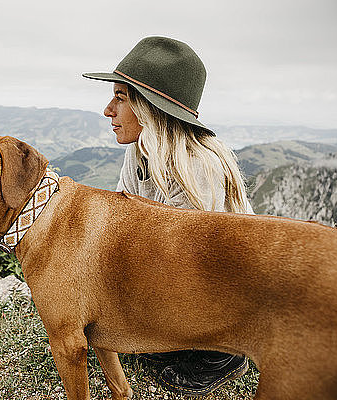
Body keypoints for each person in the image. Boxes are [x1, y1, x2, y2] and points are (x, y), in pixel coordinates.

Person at [83, 36, 253, 396]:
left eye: (121, 97)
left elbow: (187, 263)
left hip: (216, 292)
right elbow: (119, 215)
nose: (107, 110)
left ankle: (223, 354)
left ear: (150, 109)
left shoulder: (198, 167)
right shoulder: (141, 152)